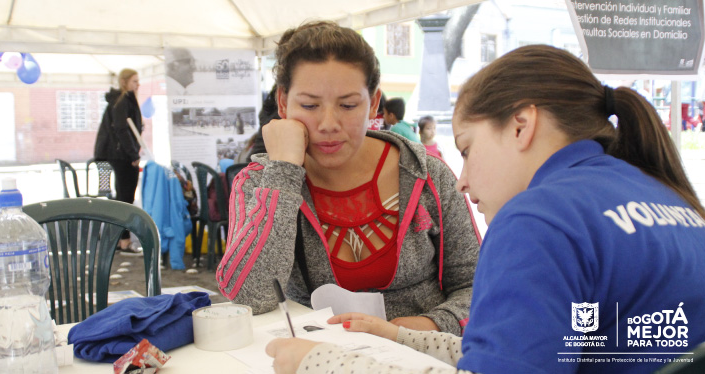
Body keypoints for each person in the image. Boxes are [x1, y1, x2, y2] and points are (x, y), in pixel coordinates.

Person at [264, 45, 705, 374]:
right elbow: (543, 344)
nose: (462, 179)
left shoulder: (538, 220)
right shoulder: (663, 193)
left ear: (521, 126)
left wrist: (321, 362)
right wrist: (404, 337)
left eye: (468, 150)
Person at [216, 21, 480, 335]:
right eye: (310, 105)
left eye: (348, 105)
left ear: (374, 102)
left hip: (423, 357)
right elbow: (249, 297)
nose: (328, 123)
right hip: (314, 359)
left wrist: (429, 326)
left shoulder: (426, 175)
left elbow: (476, 283)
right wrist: (285, 171)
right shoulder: (259, 183)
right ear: (283, 103)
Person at [94, 68, 143, 254]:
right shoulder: (122, 101)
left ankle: (117, 239)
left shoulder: (122, 100)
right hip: (120, 155)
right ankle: (123, 240)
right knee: (125, 198)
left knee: (122, 197)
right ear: (125, 82)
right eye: (134, 82)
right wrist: (133, 155)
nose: (138, 85)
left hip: (118, 153)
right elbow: (122, 129)